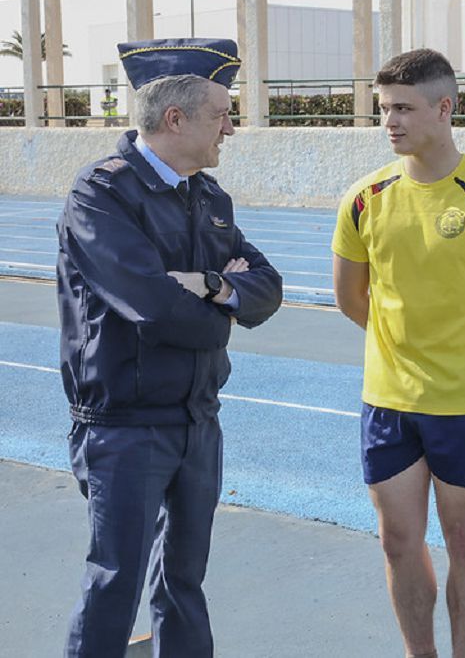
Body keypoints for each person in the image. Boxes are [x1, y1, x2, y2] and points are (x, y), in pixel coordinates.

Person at [57, 38, 283, 657]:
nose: (231, 128)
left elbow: (268, 289)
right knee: (115, 581)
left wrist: (212, 284)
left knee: (183, 581)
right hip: (123, 427)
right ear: (175, 119)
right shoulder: (101, 194)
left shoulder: (208, 198)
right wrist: (221, 313)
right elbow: (152, 309)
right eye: (221, 113)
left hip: (196, 420)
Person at [331, 49, 465, 658]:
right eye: (384, 109)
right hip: (389, 398)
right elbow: (352, 300)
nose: (390, 122)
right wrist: (403, 346)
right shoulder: (365, 197)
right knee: (398, 539)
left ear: (444, 109)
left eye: (403, 108)